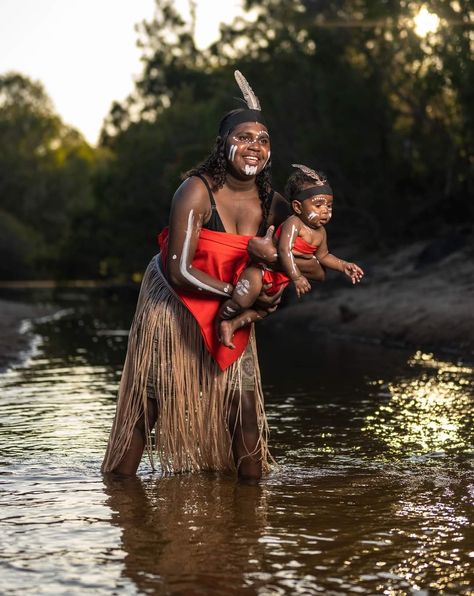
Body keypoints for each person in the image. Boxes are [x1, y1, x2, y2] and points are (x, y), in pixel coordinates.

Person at [101, 71, 325, 482]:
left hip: (231, 306)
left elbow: (314, 264)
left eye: (263, 139)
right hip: (173, 303)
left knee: (243, 409)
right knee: (148, 403)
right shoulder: (195, 191)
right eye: (243, 137)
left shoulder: (274, 205)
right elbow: (179, 269)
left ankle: (246, 522)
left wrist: (276, 261)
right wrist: (241, 294)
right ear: (223, 145)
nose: (254, 146)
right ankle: (121, 499)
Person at [218, 163, 364, 348]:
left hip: (279, 278)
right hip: (261, 271)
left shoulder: (321, 233)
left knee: (265, 311)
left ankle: (231, 325)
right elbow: (284, 250)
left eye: (329, 205)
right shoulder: (294, 224)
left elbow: (324, 255)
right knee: (241, 301)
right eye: (318, 205)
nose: (325, 210)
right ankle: (218, 319)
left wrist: (344, 265)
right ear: (297, 207)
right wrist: (297, 276)